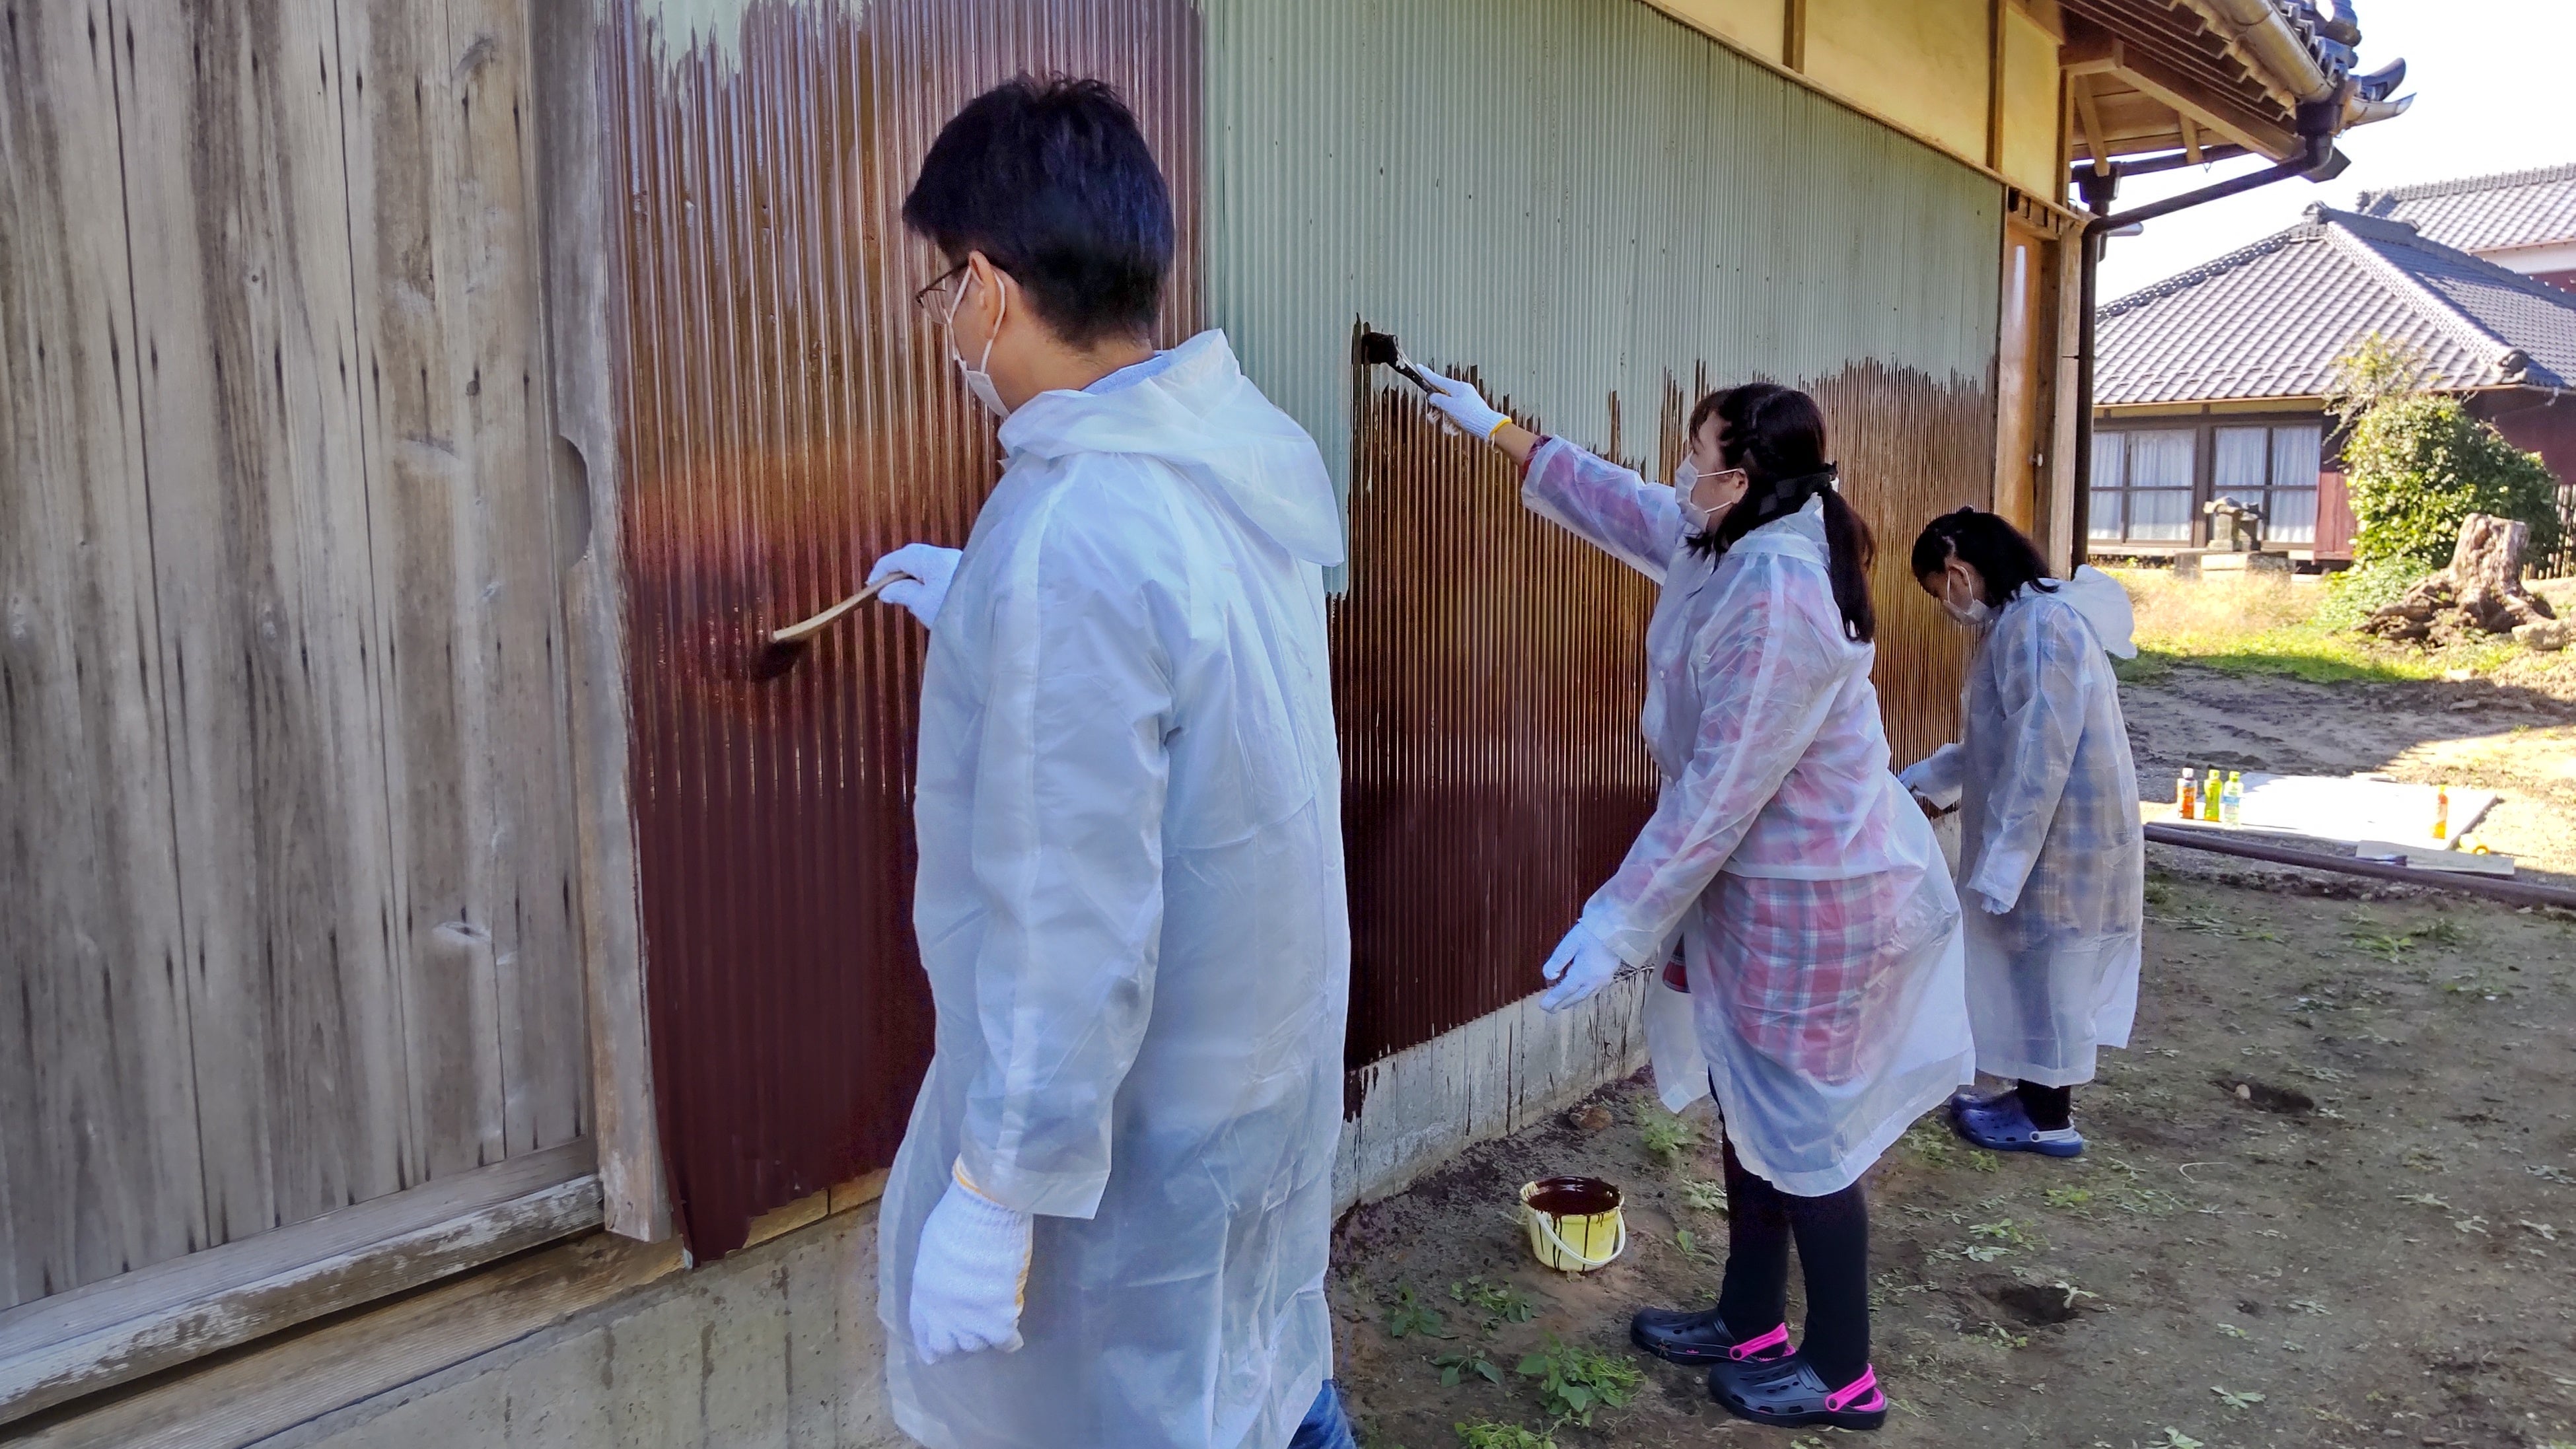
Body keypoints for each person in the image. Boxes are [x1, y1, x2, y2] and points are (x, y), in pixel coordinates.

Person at [865, 77, 1356, 1449]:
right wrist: (983, 605)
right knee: (1260, 1373)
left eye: (939, 294)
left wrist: (996, 1184)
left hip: (1138, 1136)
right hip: (1258, 1085)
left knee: (1158, 1402)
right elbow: (1197, 698)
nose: (948, 329)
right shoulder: (1229, 460)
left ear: (984, 286)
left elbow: (1066, 915)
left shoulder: (1070, 526)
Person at [1418, 372, 1972, 1433]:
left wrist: (1617, 920)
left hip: (1821, 898)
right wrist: (1498, 431)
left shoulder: (1780, 590)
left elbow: (1721, 790)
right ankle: (1753, 1318)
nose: (1683, 468)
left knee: (1804, 1133)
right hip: (1764, 890)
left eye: (1697, 452)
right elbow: (1630, 505)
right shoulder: (1739, 529)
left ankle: (1844, 1371)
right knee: (1749, 1107)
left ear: (1743, 473)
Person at [1898, 508, 2144, 1158]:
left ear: (1957, 572)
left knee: (2054, 968)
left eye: (1937, 590)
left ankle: (2049, 1117)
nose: (1945, 606)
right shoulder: (2025, 621)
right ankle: (2032, 1096)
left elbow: (2040, 757)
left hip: (2064, 841)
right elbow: (1994, 740)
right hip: (2049, 835)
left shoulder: (2042, 627)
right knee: (2037, 968)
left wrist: (2005, 864)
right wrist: (1921, 778)